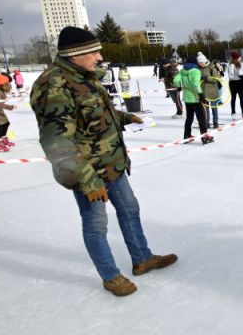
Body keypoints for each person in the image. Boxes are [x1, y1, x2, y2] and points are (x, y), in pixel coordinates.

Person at [30, 26, 177, 297]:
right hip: (87, 172)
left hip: (112, 163)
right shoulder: (54, 84)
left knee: (130, 209)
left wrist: (124, 117)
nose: (100, 56)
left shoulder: (85, 76)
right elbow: (58, 143)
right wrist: (86, 181)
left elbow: (95, 112)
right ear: (76, 55)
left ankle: (142, 258)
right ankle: (110, 276)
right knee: (96, 224)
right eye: (94, 51)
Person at [174, 56, 214, 144]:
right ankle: (205, 137)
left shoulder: (182, 71)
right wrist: (201, 95)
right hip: (196, 98)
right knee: (202, 118)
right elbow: (196, 84)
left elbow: (176, 80)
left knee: (189, 118)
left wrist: (179, 86)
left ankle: (187, 135)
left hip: (187, 99)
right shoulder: (196, 71)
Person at [197, 52, 222, 129]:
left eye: (202, 62)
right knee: (205, 109)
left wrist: (206, 78)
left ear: (205, 61)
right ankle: (206, 123)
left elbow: (216, 79)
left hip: (212, 92)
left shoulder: (212, 67)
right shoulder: (198, 69)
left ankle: (215, 122)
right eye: (199, 63)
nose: (201, 64)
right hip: (204, 92)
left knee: (214, 108)